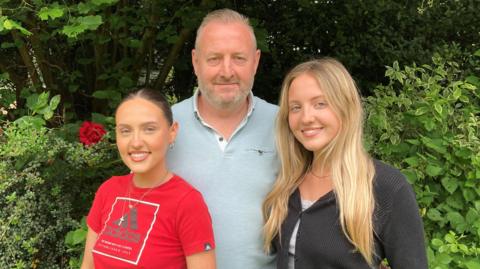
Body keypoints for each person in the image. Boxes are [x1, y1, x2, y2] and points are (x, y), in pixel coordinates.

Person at [262, 58, 428, 269]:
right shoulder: (286, 184)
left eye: (320, 104)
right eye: (295, 107)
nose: (306, 117)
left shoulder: (386, 187)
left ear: (345, 107)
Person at [167, 8, 278, 269]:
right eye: (214, 58)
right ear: (196, 62)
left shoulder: (286, 125)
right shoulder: (163, 126)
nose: (226, 71)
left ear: (256, 61)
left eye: (239, 58)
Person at [81, 88, 216, 269]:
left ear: (172, 132)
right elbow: (88, 265)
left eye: (149, 129)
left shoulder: (187, 202)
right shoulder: (108, 190)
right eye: (125, 131)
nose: (135, 142)